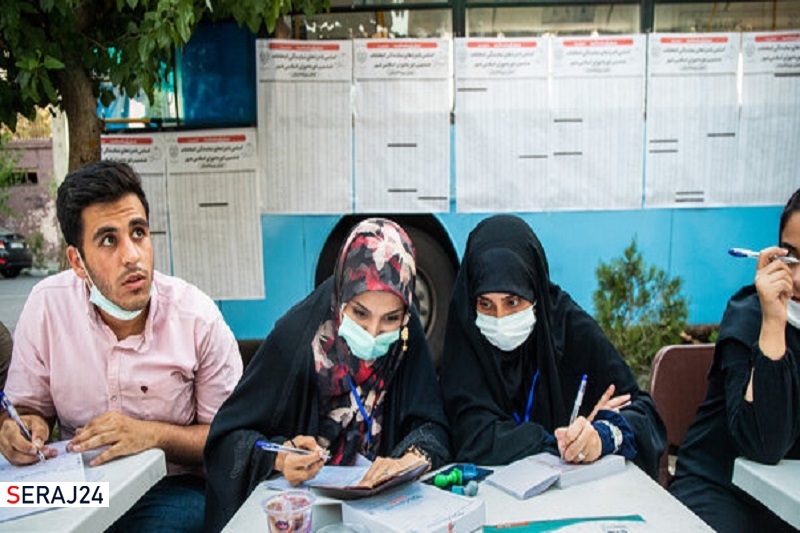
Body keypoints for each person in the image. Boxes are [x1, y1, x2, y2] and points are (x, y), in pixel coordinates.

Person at [0, 161, 243, 532]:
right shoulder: (46, 305)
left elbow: (230, 439)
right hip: (80, 486)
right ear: (76, 261)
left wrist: (152, 436)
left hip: (172, 486)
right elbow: (28, 407)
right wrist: (23, 426)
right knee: (14, 514)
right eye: (109, 240)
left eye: (139, 232)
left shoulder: (197, 318)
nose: (132, 256)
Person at [204, 218, 450, 531]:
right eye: (360, 313)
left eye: (390, 318)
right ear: (341, 295)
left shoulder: (406, 335)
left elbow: (432, 423)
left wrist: (410, 458)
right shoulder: (296, 336)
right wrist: (280, 458)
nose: (373, 333)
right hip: (305, 518)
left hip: (382, 517)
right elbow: (227, 440)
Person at [440, 215, 666, 477]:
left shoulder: (570, 330)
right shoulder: (467, 340)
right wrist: (558, 442)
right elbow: (472, 438)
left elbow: (644, 416)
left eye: (513, 302)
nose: (500, 319)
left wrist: (600, 435)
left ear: (535, 292)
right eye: (485, 304)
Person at [669, 188, 800, 532]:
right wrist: (773, 324)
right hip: (720, 487)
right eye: (793, 257)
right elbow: (763, 444)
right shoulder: (749, 316)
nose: (797, 279)